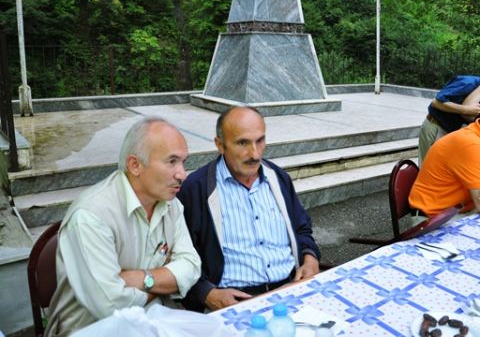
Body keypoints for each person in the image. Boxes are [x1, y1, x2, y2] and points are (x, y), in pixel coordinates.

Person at [45, 117, 201, 336]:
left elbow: (191, 266)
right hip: (93, 330)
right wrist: (163, 282)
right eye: (171, 161)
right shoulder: (92, 216)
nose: (182, 174)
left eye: (183, 162)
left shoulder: (170, 204)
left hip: (153, 323)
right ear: (135, 165)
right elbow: (110, 306)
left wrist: (142, 279)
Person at [178, 106, 320, 312]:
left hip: (292, 290)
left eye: (260, 141)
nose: (254, 154)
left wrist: (310, 257)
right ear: (220, 144)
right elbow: (179, 258)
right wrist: (207, 293)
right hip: (235, 303)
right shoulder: (196, 189)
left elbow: (302, 229)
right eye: (242, 143)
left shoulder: (278, 178)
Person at [418, 69, 480, 164]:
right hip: (436, 128)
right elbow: (436, 102)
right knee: (428, 168)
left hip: (450, 132)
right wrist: (466, 110)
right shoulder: (467, 82)